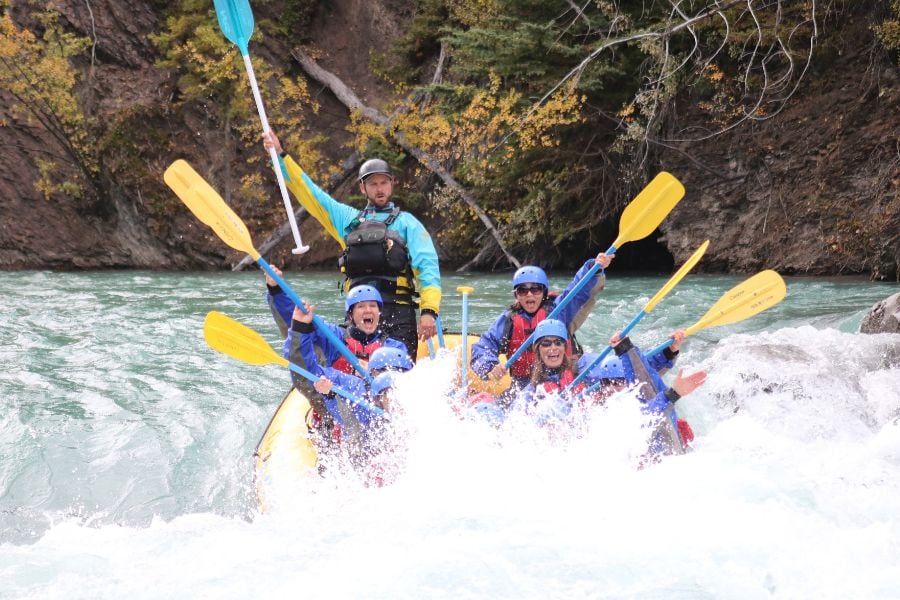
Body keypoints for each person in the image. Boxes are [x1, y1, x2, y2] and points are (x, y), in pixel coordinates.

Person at [263, 130, 441, 360]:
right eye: (373, 184)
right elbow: (311, 194)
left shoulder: (408, 224)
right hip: (359, 315)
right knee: (356, 370)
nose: (379, 189)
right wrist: (280, 156)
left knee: (397, 376)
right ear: (362, 188)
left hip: (398, 314)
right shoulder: (348, 220)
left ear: (392, 185)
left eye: (384, 183)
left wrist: (429, 312)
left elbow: (428, 270)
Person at [470, 252, 613, 406]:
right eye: (522, 290)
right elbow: (482, 348)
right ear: (516, 295)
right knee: (493, 407)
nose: (529, 294)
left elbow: (577, 291)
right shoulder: (508, 321)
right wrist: (490, 366)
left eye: (536, 289)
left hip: (563, 377)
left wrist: (594, 268)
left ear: (544, 292)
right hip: (524, 384)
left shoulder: (558, 311)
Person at [595, 329, 704, 459]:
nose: (612, 387)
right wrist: (673, 394)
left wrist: (669, 350)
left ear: (627, 381)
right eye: (606, 382)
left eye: (618, 381)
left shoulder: (638, 394)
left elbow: (643, 375)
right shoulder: (600, 412)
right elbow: (641, 419)